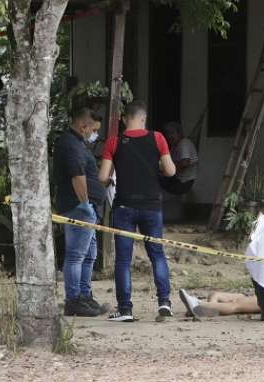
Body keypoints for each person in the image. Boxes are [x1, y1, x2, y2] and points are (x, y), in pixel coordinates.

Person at [98, 100, 177, 322]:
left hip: (124, 206)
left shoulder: (114, 142)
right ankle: (164, 302)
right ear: (143, 118)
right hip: (152, 206)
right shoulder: (158, 138)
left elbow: (103, 177)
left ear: (124, 119)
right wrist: (158, 166)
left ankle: (125, 309)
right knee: (157, 255)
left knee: (123, 260)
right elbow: (171, 170)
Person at [54, 107, 108, 317]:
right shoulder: (70, 144)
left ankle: (85, 296)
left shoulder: (78, 144)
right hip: (79, 208)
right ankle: (73, 300)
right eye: (92, 129)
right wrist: (85, 203)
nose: (94, 134)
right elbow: (78, 177)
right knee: (76, 255)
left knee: (89, 255)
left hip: (87, 208)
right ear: (82, 125)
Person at [159, 122, 198, 195]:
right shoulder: (175, 146)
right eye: (167, 133)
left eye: (172, 133)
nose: (169, 136)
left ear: (179, 133)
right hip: (178, 179)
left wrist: (168, 170)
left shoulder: (184, 143)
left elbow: (184, 163)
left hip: (184, 182)